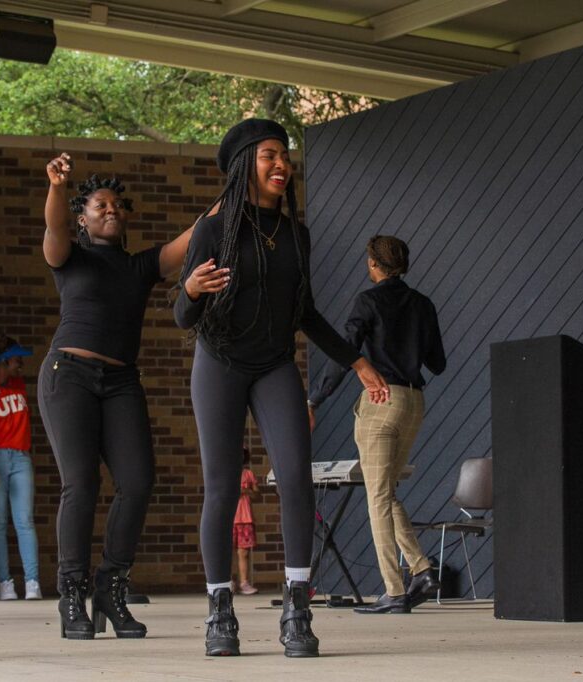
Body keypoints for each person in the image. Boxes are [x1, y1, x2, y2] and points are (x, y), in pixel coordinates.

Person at [174, 118, 390, 658]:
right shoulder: (213, 227)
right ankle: (220, 610)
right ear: (247, 162)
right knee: (222, 488)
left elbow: (306, 314)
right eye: (270, 154)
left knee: (295, 477)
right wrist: (193, 290)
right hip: (219, 362)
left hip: (273, 365)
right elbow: (183, 314)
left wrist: (357, 362)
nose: (281, 164)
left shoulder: (296, 234)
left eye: (284, 155)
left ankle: (297, 607)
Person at [39, 153, 197, 640]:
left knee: (138, 482)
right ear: (83, 219)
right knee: (81, 485)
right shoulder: (70, 255)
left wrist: (234, 193)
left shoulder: (139, 266)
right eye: (99, 205)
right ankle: (71, 597)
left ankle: (110, 586)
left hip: (122, 381)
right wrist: (58, 187)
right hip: (69, 375)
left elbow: (188, 241)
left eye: (116, 205)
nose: (110, 209)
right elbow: (53, 226)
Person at [307, 235, 446, 615]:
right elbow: (438, 363)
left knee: (378, 497)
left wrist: (315, 397)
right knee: (386, 492)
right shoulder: (423, 304)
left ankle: (394, 590)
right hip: (414, 403)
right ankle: (421, 569)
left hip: (381, 400)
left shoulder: (368, 302)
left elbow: (344, 351)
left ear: (373, 264)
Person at [0, 331, 41, 602]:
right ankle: (5, 583)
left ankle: (32, 582)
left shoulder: (19, 386)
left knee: (25, 520)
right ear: (3, 361)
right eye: (16, 359)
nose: (20, 364)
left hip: (21, 458)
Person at [233, 449, 259, 596]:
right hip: (230, 517)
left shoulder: (248, 474)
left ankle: (244, 582)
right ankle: (227, 581)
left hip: (245, 517)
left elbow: (256, 494)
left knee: (243, 552)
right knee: (226, 551)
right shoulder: (227, 473)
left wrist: (246, 491)